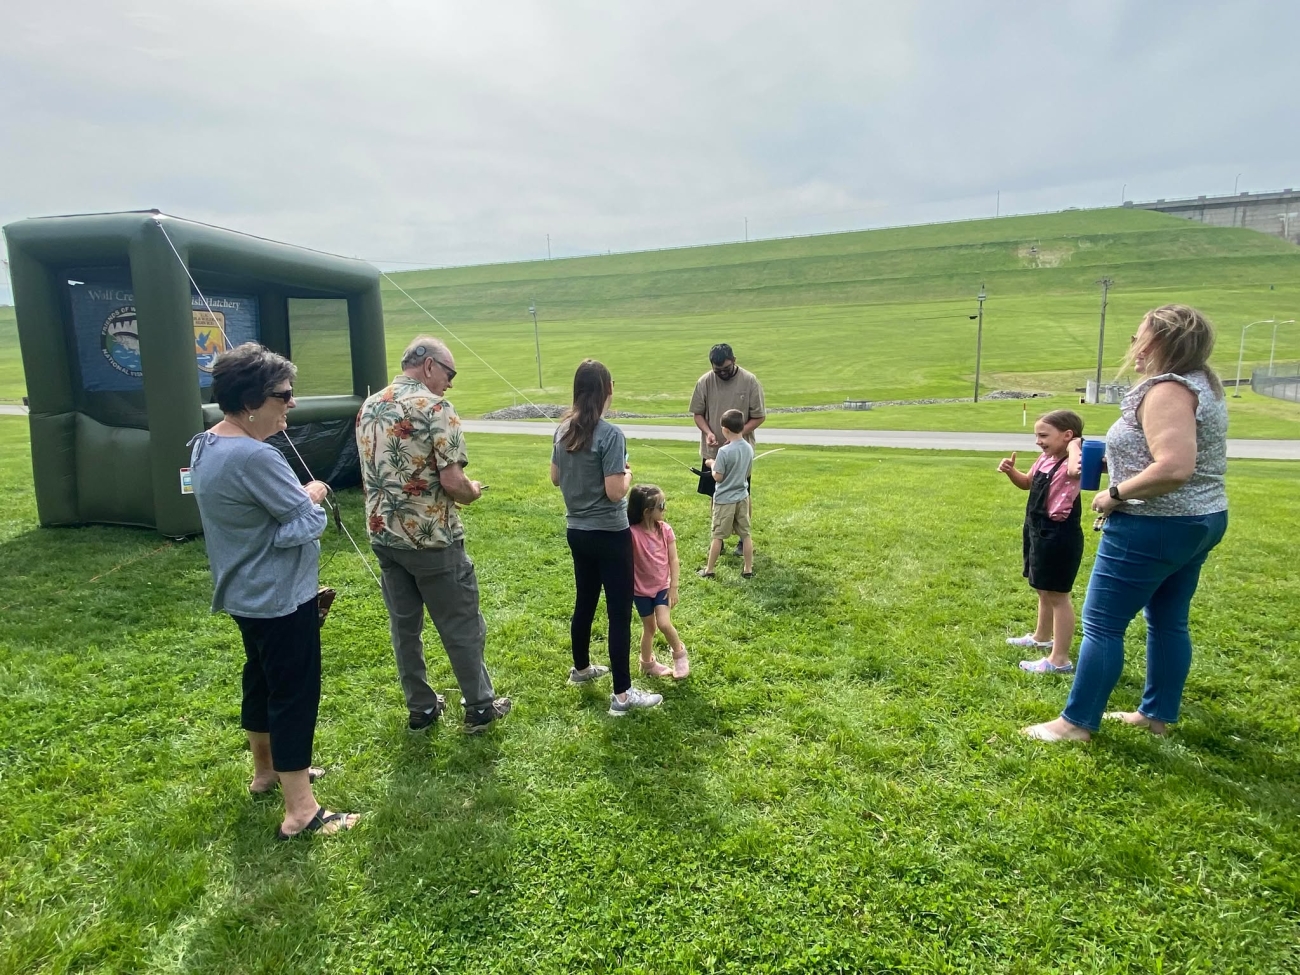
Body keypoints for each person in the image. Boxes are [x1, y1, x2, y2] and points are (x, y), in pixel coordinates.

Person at [1024, 305, 1229, 742]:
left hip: (1154, 523)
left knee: (1103, 624)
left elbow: (1174, 467)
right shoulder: (1201, 383)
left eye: (1139, 337)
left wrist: (1114, 494)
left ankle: (1076, 723)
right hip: (1201, 520)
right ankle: (1155, 716)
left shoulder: (1168, 389)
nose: (1133, 346)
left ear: (1163, 342)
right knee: (1168, 620)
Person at [189, 342, 360, 839]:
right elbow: (305, 524)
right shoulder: (255, 456)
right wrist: (314, 494)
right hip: (279, 598)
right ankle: (301, 811)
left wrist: (293, 508)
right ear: (250, 401)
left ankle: (265, 772)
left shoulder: (205, 444)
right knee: (293, 694)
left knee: (262, 680)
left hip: (245, 594)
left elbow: (252, 523)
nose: (292, 403)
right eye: (283, 395)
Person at [356, 336, 511, 734]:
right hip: (432, 540)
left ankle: (421, 709)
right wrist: (472, 491)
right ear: (428, 366)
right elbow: (453, 482)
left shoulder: (369, 405)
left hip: (384, 535)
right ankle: (479, 707)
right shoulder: (436, 407)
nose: (451, 383)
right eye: (449, 373)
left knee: (404, 628)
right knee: (461, 624)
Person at [550, 359, 664, 716]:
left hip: (577, 532)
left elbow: (555, 478)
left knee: (585, 601)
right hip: (610, 535)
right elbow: (615, 492)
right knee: (618, 612)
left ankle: (581, 669)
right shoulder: (611, 434)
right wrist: (627, 474)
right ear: (607, 390)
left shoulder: (562, 430)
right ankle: (622, 695)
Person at [996, 410, 1085, 674]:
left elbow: (1075, 470)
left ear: (1067, 435)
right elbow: (1027, 483)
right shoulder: (1045, 459)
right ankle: (1041, 637)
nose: (1038, 441)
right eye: (1036, 435)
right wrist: (1011, 472)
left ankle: (1060, 659)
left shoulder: (1075, 459)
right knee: (1043, 589)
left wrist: (1075, 446)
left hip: (1059, 534)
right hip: (1037, 529)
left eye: (1044, 435)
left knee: (1058, 595)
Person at [690, 343, 765, 556]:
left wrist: (736, 434)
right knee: (715, 493)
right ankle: (718, 539)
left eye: (726, 369)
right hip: (713, 451)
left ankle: (743, 539)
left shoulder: (749, 381)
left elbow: (759, 416)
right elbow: (697, 414)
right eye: (718, 370)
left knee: (743, 494)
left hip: (740, 451)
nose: (722, 373)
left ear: (734, 360)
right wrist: (708, 433)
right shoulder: (705, 381)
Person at [628, 483, 689, 680]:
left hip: (662, 587)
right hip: (640, 591)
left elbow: (674, 560)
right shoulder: (631, 533)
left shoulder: (665, 530)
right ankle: (647, 664)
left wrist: (674, 587)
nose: (665, 508)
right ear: (647, 512)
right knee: (650, 628)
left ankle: (680, 655)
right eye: (661, 506)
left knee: (663, 623)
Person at [698, 409, 755, 579]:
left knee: (717, 536)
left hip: (724, 500)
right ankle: (748, 569)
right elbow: (747, 473)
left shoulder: (724, 452)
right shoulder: (749, 448)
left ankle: (709, 570)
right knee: (746, 534)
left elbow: (718, 477)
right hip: (743, 497)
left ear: (725, 430)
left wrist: (712, 464)